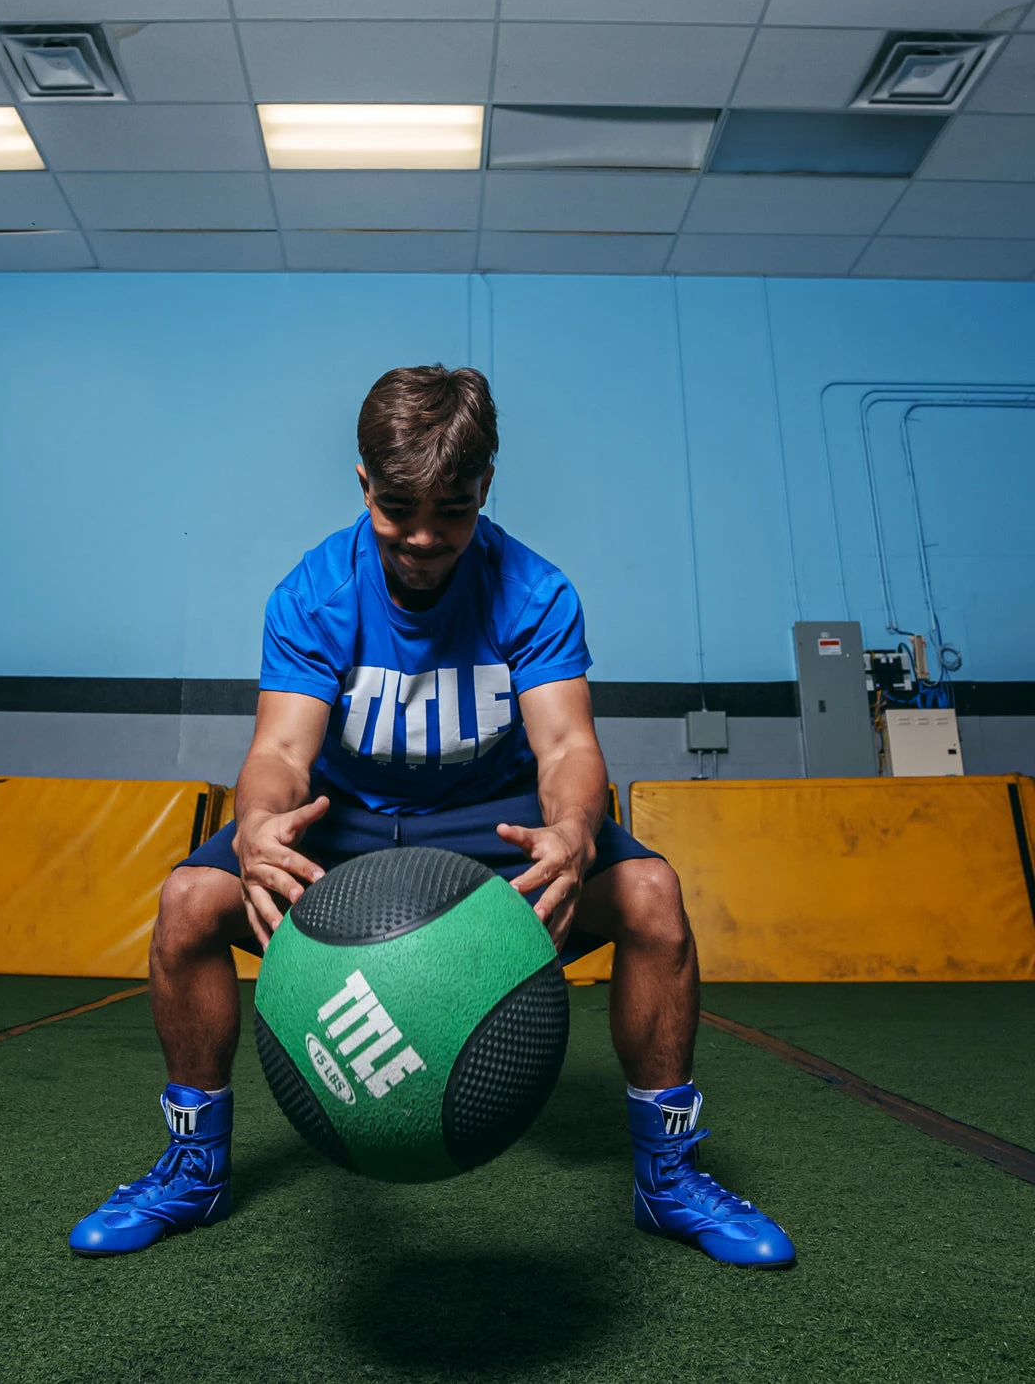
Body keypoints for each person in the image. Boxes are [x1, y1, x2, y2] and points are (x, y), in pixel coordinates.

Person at [69, 365, 794, 1268]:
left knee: (651, 894)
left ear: (486, 485)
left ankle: (670, 1178)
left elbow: (567, 746)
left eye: (451, 511)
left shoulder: (533, 592)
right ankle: (194, 1169)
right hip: (346, 823)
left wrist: (573, 830)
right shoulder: (314, 593)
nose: (422, 537)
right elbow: (282, 753)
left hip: (494, 827)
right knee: (187, 903)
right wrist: (256, 825)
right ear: (363, 483)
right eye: (397, 510)